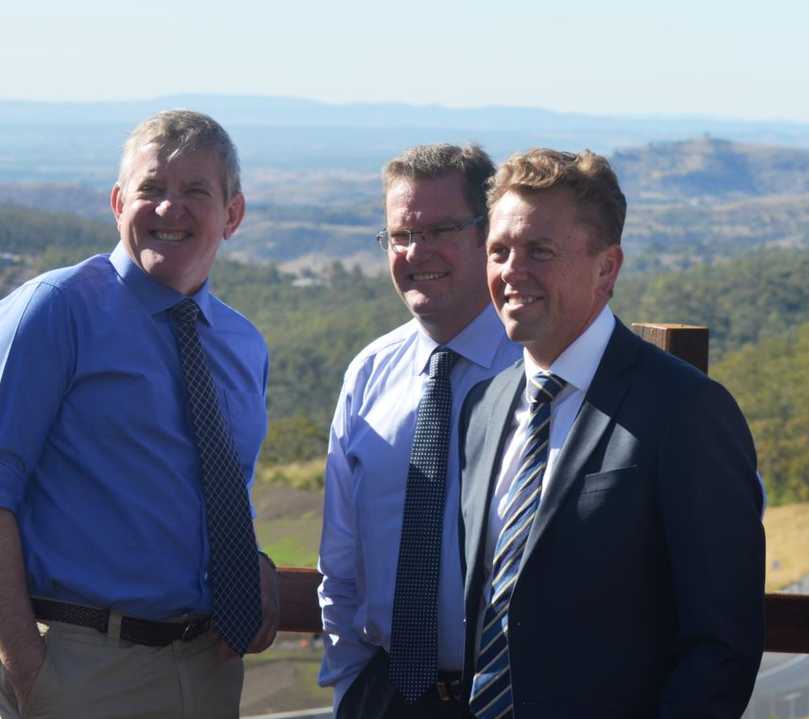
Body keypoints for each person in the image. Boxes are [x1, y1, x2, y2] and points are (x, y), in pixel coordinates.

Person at [457, 149, 764, 718]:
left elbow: (722, 644)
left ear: (607, 267)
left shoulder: (686, 411)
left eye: (539, 251)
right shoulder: (485, 406)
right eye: (498, 251)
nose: (511, 272)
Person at [0, 110, 277, 719]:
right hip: (80, 665)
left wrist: (251, 566)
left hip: (209, 670)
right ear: (118, 201)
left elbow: (227, 493)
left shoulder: (242, 344)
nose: (167, 209)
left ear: (232, 215)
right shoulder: (55, 311)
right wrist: (29, 672)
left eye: (195, 192)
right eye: (151, 189)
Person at [317, 144, 520, 718]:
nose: (415, 252)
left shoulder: (537, 372)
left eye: (440, 230)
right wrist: (351, 689)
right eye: (400, 235)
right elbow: (342, 560)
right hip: (385, 695)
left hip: (510, 696)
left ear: (488, 233)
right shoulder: (370, 373)